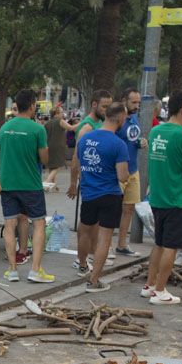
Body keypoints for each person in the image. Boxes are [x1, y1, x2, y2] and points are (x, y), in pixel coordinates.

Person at [141, 90, 182, 306]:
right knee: (170, 247)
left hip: (157, 197)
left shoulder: (156, 131)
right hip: (177, 198)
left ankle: (149, 286)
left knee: (159, 243)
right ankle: (160, 291)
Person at [0, 88, 53, 283]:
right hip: (30, 184)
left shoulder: (4, 129)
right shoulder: (37, 129)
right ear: (32, 106)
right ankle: (35, 270)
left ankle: (12, 270)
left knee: (9, 224)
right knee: (39, 223)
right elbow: (45, 158)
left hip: (6, 184)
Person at [75, 102, 129, 293]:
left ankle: (82, 265)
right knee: (104, 238)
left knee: (84, 231)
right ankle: (94, 280)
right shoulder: (118, 144)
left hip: (89, 193)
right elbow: (123, 176)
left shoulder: (85, 138)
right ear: (121, 118)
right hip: (109, 195)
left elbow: (79, 164)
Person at [114, 88, 146, 256]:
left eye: (138, 102)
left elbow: (132, 139)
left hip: (133, 169)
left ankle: (121, 244)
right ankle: (101, 245)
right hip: (118, 170)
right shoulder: (118, 119)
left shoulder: (134, 118)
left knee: (129, 208)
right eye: (133, 102)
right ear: (124, 100)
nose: (137, 105)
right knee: (112, 208)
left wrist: (140, 142)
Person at [44, 106, 74, 187]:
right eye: (61, 112)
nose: (62, 114)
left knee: (52, 166)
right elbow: (71, 128)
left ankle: (52, 185)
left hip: (49, 145)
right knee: (58, 166)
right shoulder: (60, 121)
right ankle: (47, 182)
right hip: (58, 146)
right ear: (57, 113)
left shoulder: (47, 123)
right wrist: (82, 123)